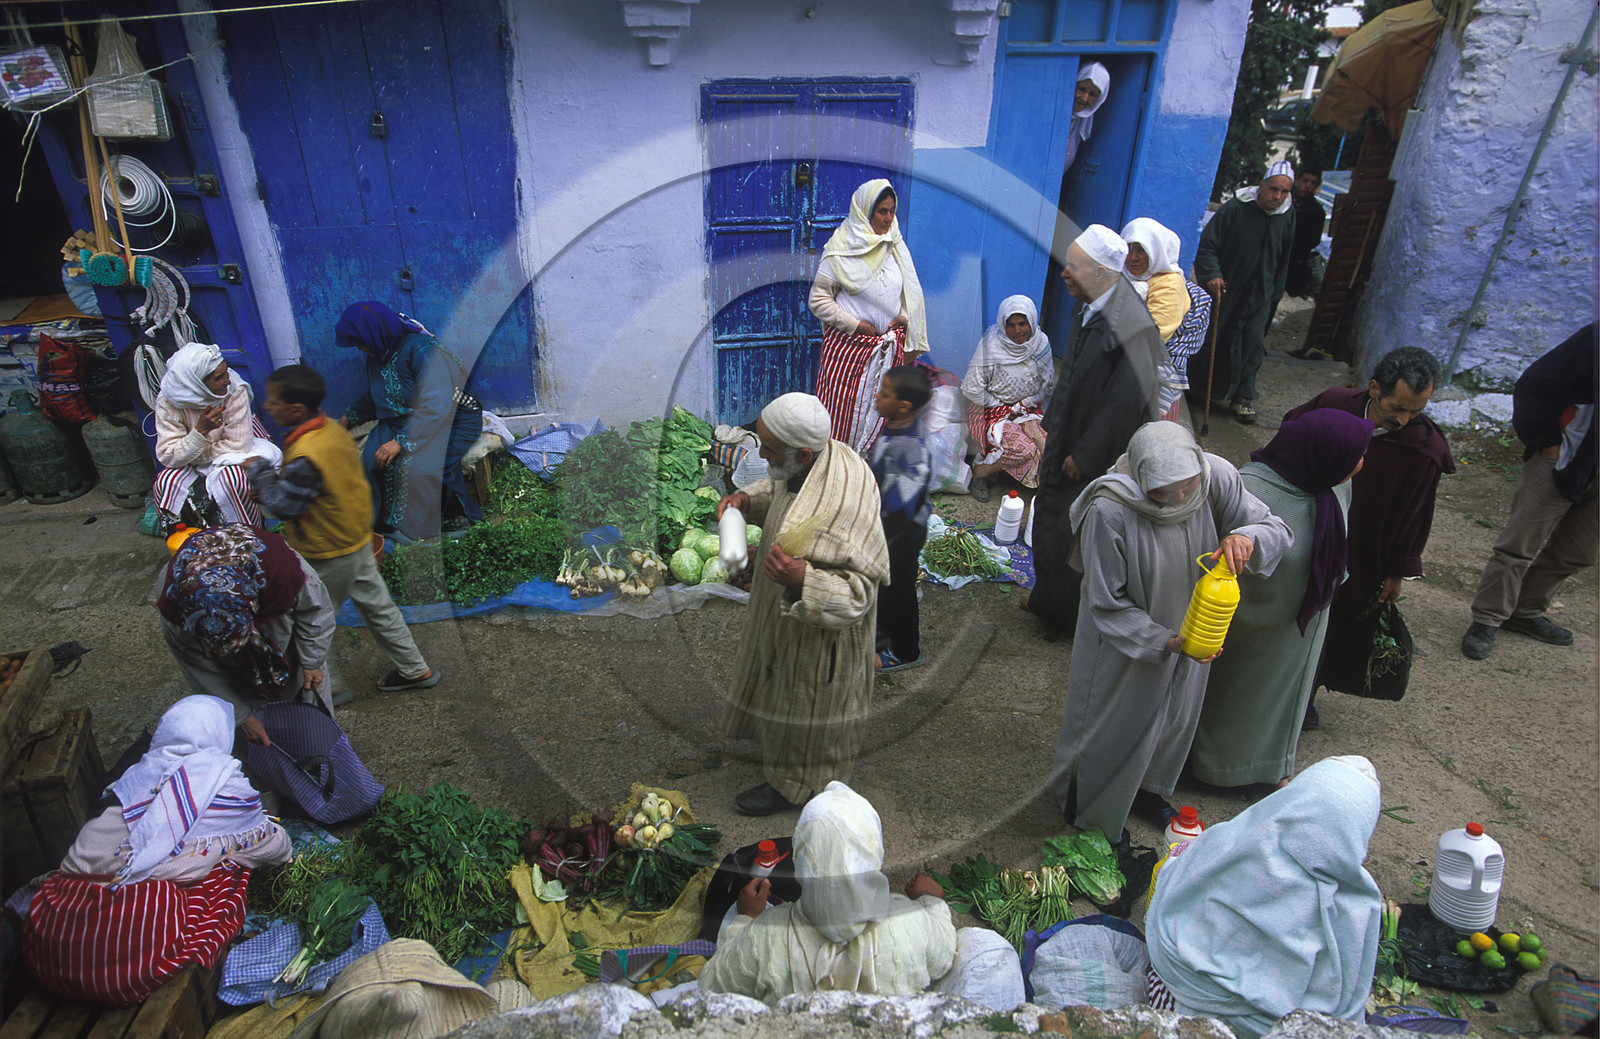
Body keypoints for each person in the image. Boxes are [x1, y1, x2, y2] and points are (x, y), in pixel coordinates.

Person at [1049, 421, 1289, 844]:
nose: (1181, 498)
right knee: (1113, 727)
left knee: (1174, 719)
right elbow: (1107, 602)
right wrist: (1166, 642)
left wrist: (1246, 538)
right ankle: (1088, 810)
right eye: (1164, 491)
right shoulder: (1111, 509)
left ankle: (1145, 790)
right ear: (1141, 478)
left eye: (1188, 487)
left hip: (1196, 632)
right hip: (1127, 642)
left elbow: (1275, 529)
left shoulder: (1216, 478)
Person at [19, 695, 292, 1006]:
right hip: (116, 972)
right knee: (229, 868)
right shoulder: (223, 783)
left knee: (196, 854)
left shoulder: (133, 778)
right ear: (220, 734)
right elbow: (277, 849)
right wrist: (250, 837)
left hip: (50, 945)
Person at [718, 394, 889, 816]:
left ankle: (797, 791)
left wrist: (802, 579)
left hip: (822, 642)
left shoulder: (845, 501)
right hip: (786, 626)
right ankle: (784, 770)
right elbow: (779, 486)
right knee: (783, 698)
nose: (760, 454)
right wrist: (744, 501)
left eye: (768, 449)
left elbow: (858, 596)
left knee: (810, 712)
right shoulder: (811, 461)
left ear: (803, 453)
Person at [1190, 410, 1370, 789]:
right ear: (1323, 453)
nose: (1360, 463)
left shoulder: (1333, 484)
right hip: (1250, 629)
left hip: (1298, 628)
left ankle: (1270, 766)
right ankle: (1218, 772)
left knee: (1281, 702)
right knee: (1237, 702)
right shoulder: (1250, 490)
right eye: (1356, 454)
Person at [1146, 756, 1383, 1039]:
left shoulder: (1236, 840)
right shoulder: (1357, 905)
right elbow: (1346, 1004)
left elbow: (1173, 879)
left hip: (1183, 1005)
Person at [248, 364, 439, 703]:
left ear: (295, 410)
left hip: (326, 553)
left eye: (273, 401)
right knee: (379, 607)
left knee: (309, 621)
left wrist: (260, 472)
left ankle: (326, 688)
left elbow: (283, 506)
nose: (267, 406)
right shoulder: (332, 431)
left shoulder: (306, 454)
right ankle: (415, 669)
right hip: (356, 540)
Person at [1284, 347, 1453, 727]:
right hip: (1307, 525)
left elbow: (1415, 515)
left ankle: (1303, 698)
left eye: (1416, 411)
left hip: (1363, 550)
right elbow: (1290, 439)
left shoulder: (1422, 450)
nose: (1405, 419)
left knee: (1332, 621)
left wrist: (1397, 572)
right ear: (1375, 388)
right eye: (1398, 407)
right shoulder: (1334, 404)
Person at [1026, 225, 1164, 637]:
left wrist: (1085, 454)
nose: (1065, 273)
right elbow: (1072, 374)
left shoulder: (1135, 327)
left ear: (1103, 274)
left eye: (1075, 266)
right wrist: (1051, 427)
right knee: (1049, 519)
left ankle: (1063, 617)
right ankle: (1045, 598)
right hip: (1067, 432)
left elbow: (1127, 403)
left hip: (1091, 451)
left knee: (1074, 531)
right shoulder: (1087, 301)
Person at [701, 781, 957, 1003]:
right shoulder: (912, 923)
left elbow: (713, 985)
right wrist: (929, 899)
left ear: (800, 860)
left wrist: (745, 919)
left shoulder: (764, 937)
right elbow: (944, 955)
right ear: (875, 854)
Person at [1462, 324, 1597, 659]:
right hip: (1564, 459)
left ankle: (1525, 611)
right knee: (1517, 547)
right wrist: (1549, 445)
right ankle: (1488, 618)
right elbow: (1534, 385)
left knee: (1578, 552)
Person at [157, 524, 336, 748]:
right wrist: (241, 716)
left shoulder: (283, 569)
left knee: (317, 735)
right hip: (236, 682)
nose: (234, 651)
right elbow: (200, 670)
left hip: (294, 659)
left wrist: (312, 660)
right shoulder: (175, 608)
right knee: (257, 746)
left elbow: (316, 611)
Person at [335, 301, 483, 544]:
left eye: (360, 343)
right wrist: (344, 421)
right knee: (371, 458)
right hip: (403, 418)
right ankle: (378, 524)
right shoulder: (378, 352)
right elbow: (376, 396)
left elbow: (437, 404)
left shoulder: (421, 350)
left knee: (419, 468)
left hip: (452, 419)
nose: (360, 349)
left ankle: (437, 523)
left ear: (374, 335)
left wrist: (400, 441)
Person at [809, 179, 930, 454]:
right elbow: (818, 301)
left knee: (874, 411)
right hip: (848, 351)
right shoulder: (841, 251)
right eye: (881, 212)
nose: (888, 218)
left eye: (892, 211)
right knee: (840, 412)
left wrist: (903, 315)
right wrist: (855, 325)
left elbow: (907, 292)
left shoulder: (894, 245)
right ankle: (835, 467)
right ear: (865, 212)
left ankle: (864, 470)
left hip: (884, 351)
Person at [1190, 161, 1297, 424]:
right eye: (1273, 189)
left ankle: (1242, 398)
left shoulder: (1286, 214)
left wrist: (1275, 293)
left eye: (1284, 192)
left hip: (1261, 294)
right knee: (1215, 337)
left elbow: (1284, 258)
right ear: (1261, 185)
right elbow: (1207, 247)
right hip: (1226, 289)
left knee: (1252, 344)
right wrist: (1213, 274)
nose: (1278, 196)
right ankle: (1199, 392)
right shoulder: (1236, 209)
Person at [151, 341, 280, 528]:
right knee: (165, 482)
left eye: (226, 371)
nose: (227, 380)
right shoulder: (169, 401)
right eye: (219, 378)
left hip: (227, 451)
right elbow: (167, 455)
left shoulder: (234, 390)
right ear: (196, 383)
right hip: (202, 450)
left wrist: (190, 453)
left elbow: (238, 445)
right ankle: (190, 539)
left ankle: (249, 535)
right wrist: (200, 431)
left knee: (232, 480)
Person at [868, 365, 934, 673]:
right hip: (889, 524)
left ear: (903, 405)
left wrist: (879, 527)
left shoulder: (911, 446)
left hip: (902, 531)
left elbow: (902, 500)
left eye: (884, 393)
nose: (876, 396)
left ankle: (907, 649)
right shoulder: (896, 423)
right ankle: (884, 629)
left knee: (900, 588)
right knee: (884, 582)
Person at [961, 295, 1055, 503]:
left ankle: (1001, 470)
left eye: (1022, 324)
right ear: (1003, 325)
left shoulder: (1040, 344)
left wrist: (1025, 404)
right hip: (989, 410)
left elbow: (1047, 385)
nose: (1017, 331)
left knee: (1049, 445)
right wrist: (1002, 406)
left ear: (1032, 321)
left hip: (1026, 409)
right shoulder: (991, 347)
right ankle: (982, 472)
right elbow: (971, 389)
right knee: (1026, 450)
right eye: (1010, 325)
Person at [1121, 218, 1210, 421]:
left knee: (1148, 434)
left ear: (1156, 251)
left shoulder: (1169, 284)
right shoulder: (1127, 276)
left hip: (1152, 376)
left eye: (1141, 250)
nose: (1132, 257)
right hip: (1127, 366)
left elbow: (1153, 333)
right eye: (1128, 248)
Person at [1284, 166, 1326, 300]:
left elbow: (1313, 240)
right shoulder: (1281, 197)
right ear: (1297, 180)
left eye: (1313, 183)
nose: (1307, 186)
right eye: (1305, 180)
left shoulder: (1316, 212)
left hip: (1291, 261)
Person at [1061, 62, 1111, 175]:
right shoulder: (1053, 112)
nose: (1084, 99)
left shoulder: (1083, 119)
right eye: (1082, 89)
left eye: (1092, 94)